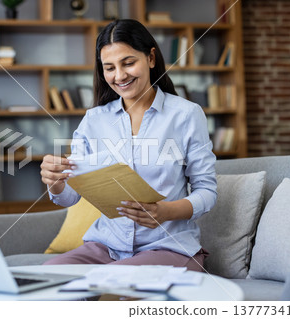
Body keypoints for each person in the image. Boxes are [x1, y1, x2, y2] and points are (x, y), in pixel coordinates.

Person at [40, 19, 217, 271]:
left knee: (115, 284)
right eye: (109, 67)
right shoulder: (94, 120)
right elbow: (70, 197)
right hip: (106, 247)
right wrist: (57, 182)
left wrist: (165, 212)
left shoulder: (186, 115)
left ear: (151, 58)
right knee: (46, 281)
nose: (119, 76)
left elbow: (207, 192)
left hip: (169, 247)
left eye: (129, 63)